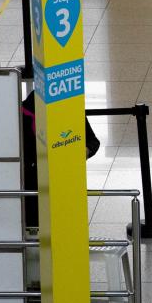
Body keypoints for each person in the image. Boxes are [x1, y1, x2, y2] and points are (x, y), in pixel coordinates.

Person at [20, 90, 101, 228]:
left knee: (66, 225)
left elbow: (93, 141)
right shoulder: (23, 113)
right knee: (35, 224)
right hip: (34, 182)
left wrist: (85, 151)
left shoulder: (70, 109)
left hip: (65, 179)